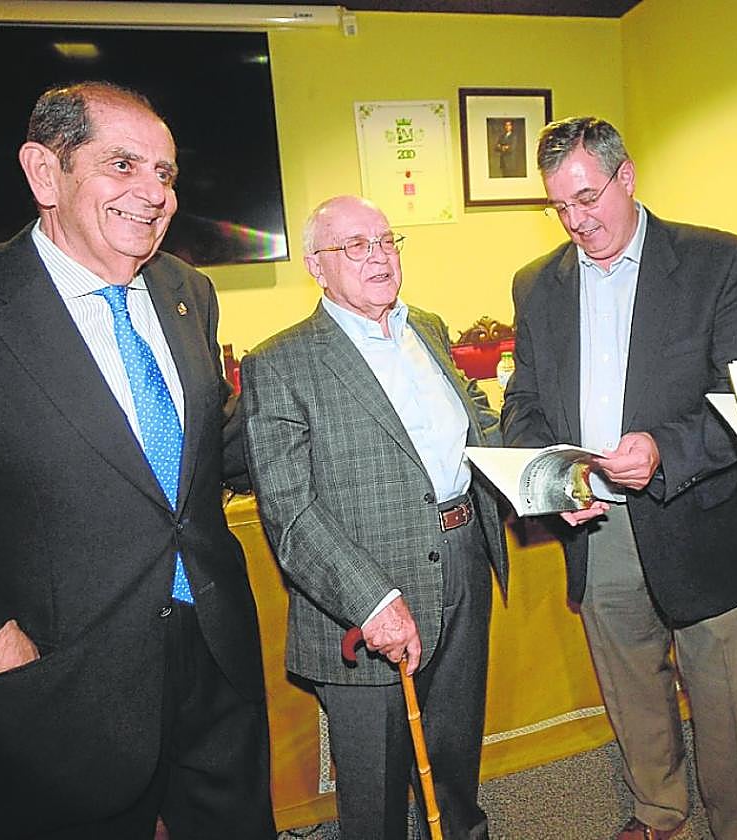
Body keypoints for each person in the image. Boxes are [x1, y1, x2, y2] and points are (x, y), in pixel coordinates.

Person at [0, 82, 274, 839]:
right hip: (51, 683)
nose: (154, 194)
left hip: (212, 659)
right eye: (123, 165)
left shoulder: (188, 291)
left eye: (166, 173)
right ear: (45, 174)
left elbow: (209, 451)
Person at [502, 116, 737, 840]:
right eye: (559, 206)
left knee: (725, 695)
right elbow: (523, 401)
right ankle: (660, 811)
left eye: (588, 198)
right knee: (630, 685)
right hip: (594, 521)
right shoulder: (537, 283)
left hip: (693, 512)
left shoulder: (716, 260)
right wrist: (549, 478)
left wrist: (663, 447)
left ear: (627, 178)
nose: (576, 221)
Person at [241, 195, 508, 840]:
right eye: (355, 246)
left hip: (463, 560)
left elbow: (479, 435)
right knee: (376, 794)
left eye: (387, 241)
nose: (379, 256)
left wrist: (550, 479)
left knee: (452, 754)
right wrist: (372, 601)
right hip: (364, 596)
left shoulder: (431, 329)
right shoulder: (280, 362)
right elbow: (289, 510)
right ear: (317, 266)